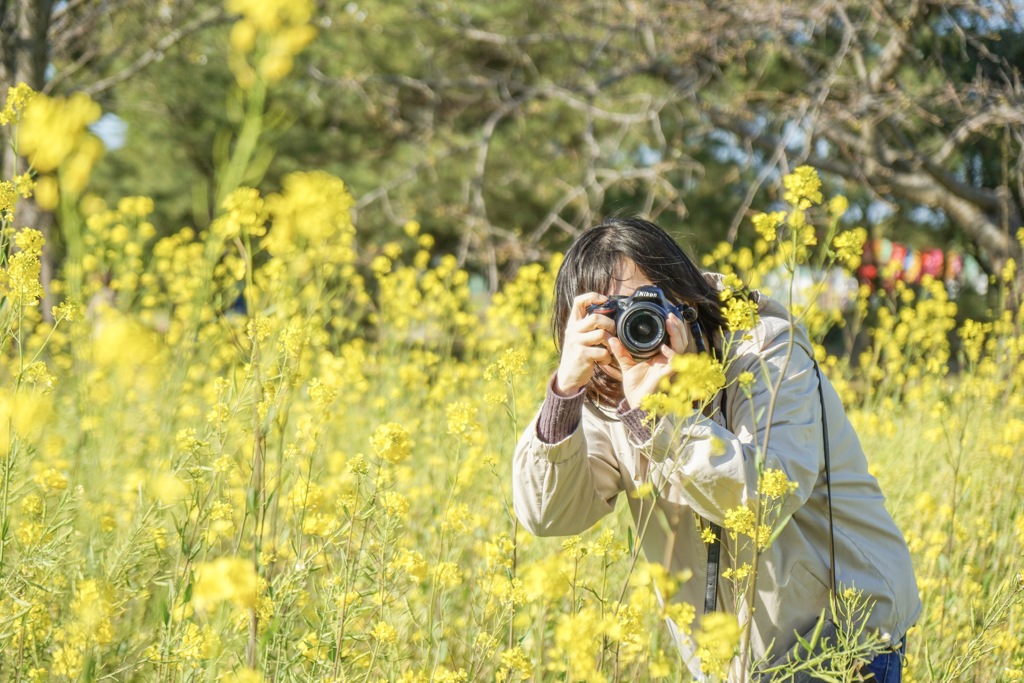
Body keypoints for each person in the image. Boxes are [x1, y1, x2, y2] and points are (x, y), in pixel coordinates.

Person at [511, 217, 920, 681]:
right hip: (738, 661)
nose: (635, 327)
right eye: (611, 316)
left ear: (683, 294)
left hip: (843, 637)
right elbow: (547, 514)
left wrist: (663, 419)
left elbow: (767, 495)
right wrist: (564, 393)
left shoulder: (765, 350)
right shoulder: (610, 391)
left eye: (648, 304)